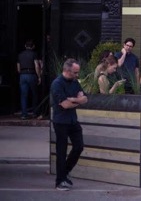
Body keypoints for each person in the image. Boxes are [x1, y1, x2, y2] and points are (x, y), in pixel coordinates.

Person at [50, 59, 88, 191]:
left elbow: (85, 99)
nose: (77, 75)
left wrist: (73, 100)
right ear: (67, 71)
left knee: (79, 146)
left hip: (73, 120)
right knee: (61, 151)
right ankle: (59, 181)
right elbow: (65, 104)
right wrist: (76, 101)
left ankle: (64, 172)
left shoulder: (75, 82)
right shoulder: (57, 84)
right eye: (75, 72)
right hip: (61, 121)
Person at [16, 39, 42, 119]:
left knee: (23, 95)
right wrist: (39, 76)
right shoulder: (34, 54)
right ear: (33, 46)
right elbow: (36, 66)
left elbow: (18, 68)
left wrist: (22, 74)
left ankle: (24, 114)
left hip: (22, 75)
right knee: (34, 94)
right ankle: (35, 113)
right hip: (31, 74)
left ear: (25, 46)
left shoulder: (20, 55)